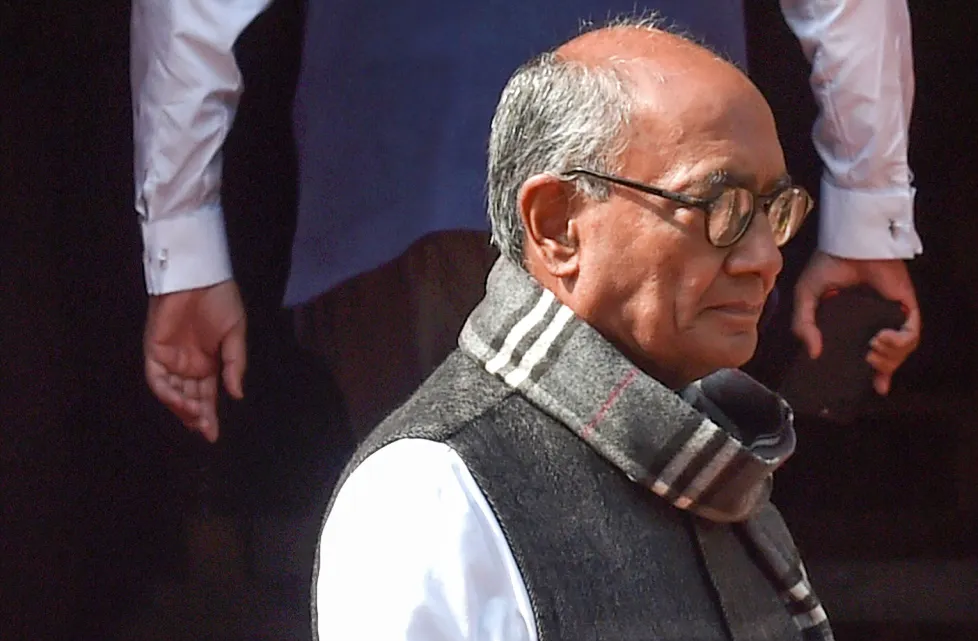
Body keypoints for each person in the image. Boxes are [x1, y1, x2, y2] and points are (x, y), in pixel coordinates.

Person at [131, 0, 922, 444]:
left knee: (434, 543)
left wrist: (184, 241)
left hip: (413, 163)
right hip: (666, 183)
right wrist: (866, 209)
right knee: (657, 571)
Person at [314, 20, 848, 641]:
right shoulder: (426, 494)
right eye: (720, 206)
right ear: (557, 225)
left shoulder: (719, 462)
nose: (764, 258)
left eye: (775, 210)